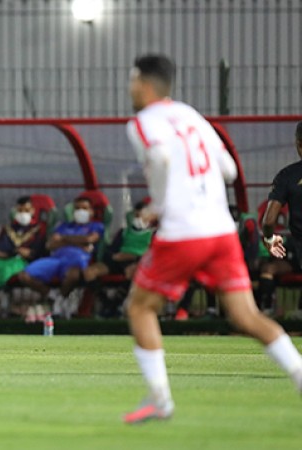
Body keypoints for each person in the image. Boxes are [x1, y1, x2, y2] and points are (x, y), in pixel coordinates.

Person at [122, 54, 302, 424]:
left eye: (131, 81)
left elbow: (158, 158)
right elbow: (229, 170)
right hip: (220, 230)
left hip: (183, 232)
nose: (130, 88)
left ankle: (160, 400)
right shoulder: (192, 116)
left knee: (140, 308)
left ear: (143, 82)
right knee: (246, 316)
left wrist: (158, 206)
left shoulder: (144, 122)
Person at [18, 196, 105, 318]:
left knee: (73, 275)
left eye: (84, 208)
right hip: (55, 259)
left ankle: (60, 300)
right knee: (24, 276)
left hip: (77, 260)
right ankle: (53, 296)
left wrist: (63, 239)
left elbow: (89, 239)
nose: (80, 211)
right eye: (77, 208)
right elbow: (50, 245)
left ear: (91, 211)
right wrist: (80, 242)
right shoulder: (63, 226)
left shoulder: (96, 226)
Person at [82, 200, 154, 318]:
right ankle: (105, 301)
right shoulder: (124, 232)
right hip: (118, 260)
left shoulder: (153, 234)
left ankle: (115, 305)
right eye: (136, 215)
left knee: (131, 271)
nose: (138, 219)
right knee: (89, 272)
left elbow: (153, 254)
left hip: (138, 263)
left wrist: (135, 257)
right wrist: (114, 256)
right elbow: (110, 250)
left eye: (141, 216)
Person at [259, 122, 302, 315]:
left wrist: (269, 239)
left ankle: (266, 313)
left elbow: (268, 221)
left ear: (298, 144)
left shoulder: (287, 175)